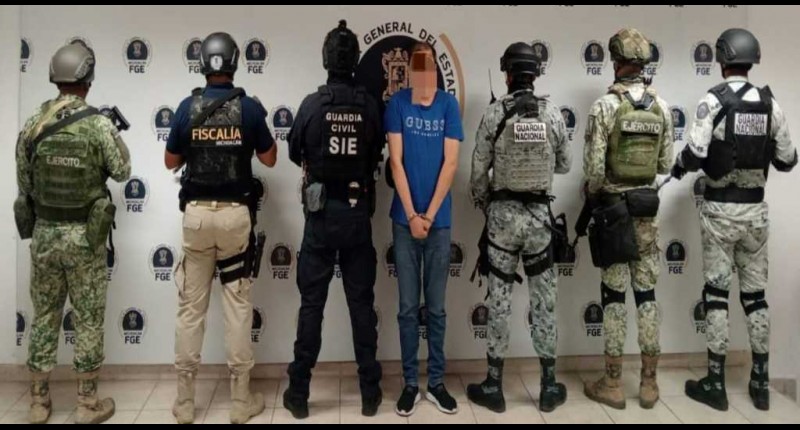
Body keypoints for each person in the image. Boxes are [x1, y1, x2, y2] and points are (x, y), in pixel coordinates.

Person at [673, 28, 797, 412]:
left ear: (722, 59)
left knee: (716, 295)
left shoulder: (714, 100)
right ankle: (760, 383)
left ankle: (716, 383)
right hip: (755, 214)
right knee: (755, 297)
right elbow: (788, 160)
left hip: (720, 213)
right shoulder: (769, 103)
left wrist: (679, 166)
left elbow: (695, 153)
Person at [14, 42, 131, 424]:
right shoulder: (98, 124)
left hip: (45, 236)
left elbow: (24, 182)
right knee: (89, 318)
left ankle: (38, 402)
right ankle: (86, 404)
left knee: (44, 316)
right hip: (84, 238)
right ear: (88, 79)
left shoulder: (35, 122)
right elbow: (122, 170)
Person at [164, 31, 277, 424]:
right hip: (234, 220)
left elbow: (170, 161)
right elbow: (270, 158)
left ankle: (184, 403)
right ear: (233, 63)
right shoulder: (248, 109)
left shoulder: (187, 107)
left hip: (197, 218)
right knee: (238, 307)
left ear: (203, 64)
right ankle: (241, 401)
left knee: (190, 310)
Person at [282, 20, 384, 420]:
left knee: (312, 306)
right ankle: (370, 394)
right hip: (357, 216)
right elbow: (375, 152)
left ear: (326, 59)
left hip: (321, 218)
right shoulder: (369, 105)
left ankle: (299, 394)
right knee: (362, 306)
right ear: (355, 60)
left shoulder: (313, 105)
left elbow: (294, 151)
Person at [467, 41, 572, 414]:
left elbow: (478, 173)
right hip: (540, 222)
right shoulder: (553, 114)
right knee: (544, 302)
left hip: (503, 223)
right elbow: (564, 164)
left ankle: (494, 386)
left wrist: (488, 206)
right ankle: (549, 386)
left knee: (499, 301)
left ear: (507, 74)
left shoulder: (495, 113)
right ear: (535, 74)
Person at [582, 28, 674, 410]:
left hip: (614, 216)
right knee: (647, 296)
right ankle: (649, 384)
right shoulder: (662, 107)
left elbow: (593, 172)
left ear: (616, 62)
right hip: (646, 214)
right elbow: (666, 164)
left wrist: (602, 190)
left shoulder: (604, 107)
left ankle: (613, 382)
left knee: (614, 296)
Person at [386, 41, 464, 417]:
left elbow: (451, 164)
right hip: (404, 222)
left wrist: (429, 216)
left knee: (436, 308)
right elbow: (395, 162)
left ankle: (435, 383)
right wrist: (412, 215)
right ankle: (409, 384)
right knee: (406, 308)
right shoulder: (397, 104)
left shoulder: (448, 105)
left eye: (429, 64)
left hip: (439, 222)